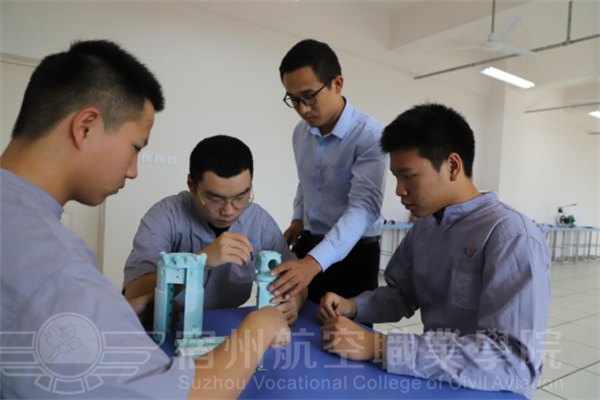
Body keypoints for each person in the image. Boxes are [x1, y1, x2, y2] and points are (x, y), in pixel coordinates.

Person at [0, 40, 289, 399]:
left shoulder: (23, 230)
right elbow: (185, 394)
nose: (133, 170)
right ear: (85, 126)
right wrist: (260, 325)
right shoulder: (57, 266)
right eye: (136, 147)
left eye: (240, 198)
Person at [317, 103, 551, 399]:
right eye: (396, 177)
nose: (399, 190)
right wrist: (353, 306)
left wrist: (380, 346)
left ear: (452, 166)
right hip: (435, 377)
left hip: (491, 389)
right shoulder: (426, 225)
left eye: (409, 176)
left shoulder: (511, 236)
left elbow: (513, 361)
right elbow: (402, 294)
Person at [123, 135, 308, 325]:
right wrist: (199, 263)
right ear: (192, 185)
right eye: (214, 200)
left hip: (230, 326)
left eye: (240, 197)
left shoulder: (258, 221)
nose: (228, 211)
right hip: (170, 325)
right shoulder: (166, 215)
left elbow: (296, 276)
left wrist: (295, 301)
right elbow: (132, 294)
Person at [269, 39, 387, 306]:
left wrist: (313, 263)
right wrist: (298, 220)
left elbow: (363, 209)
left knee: (346, 329)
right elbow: (306, 183)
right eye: (294, 99)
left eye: (309, 97)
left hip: (355, 254)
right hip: (309, 243)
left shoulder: (369, 135)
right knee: (292, 318)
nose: (302, 109)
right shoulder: (301, 132)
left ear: (337, 84)